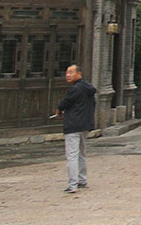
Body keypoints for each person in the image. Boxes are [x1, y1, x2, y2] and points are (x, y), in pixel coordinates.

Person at [50, 64, 95, 194]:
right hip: (85, 125)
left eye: (71, 72)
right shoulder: (88, 88)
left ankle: (72, 184)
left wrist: (59, 110)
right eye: (67, 73)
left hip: (73, 125)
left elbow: (65, 103)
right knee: (81, 153)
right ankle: (82, 179)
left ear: (79, 74)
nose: (68, 75)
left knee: (72, 155)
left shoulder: (75, 89)